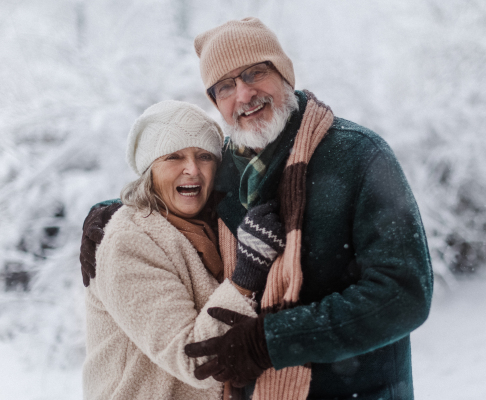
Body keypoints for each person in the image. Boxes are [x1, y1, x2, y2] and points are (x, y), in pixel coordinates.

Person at [80, 18, 434, 400]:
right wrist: (112, 212)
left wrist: (272, 341)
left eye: (255, 73)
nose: (244, 94)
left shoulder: (358, 157)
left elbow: (404, 293)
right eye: (226, 86)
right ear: (216, 102)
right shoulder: (231, 170)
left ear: (284, 74)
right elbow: (173, 194)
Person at [82, 100, 285, 400]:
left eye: (204, 156)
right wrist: (246, 276)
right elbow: (195, 359)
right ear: (149, 170)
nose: (192, 169)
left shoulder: (214, 228)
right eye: (174, 157)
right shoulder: (128, 243)